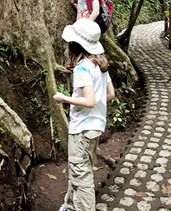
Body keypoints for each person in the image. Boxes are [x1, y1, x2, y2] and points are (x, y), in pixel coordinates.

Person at [53, 18, 115, 211]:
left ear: (75, 44)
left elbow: (89, 101)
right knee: (79, 169)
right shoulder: (100, 64)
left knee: (82, 176)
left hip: (81, 130)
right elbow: (110, 94)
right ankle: (69, 206)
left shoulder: (82, 68)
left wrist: (64, 98)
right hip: (95, 127)